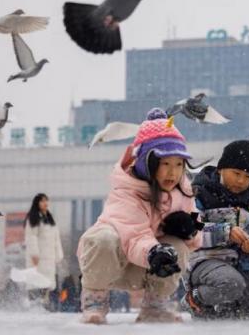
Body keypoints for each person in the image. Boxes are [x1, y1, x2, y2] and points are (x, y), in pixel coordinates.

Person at [77, 108, 202, 324]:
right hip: (113, 264)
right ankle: (95, 300)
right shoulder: (125, 191)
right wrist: (154, 252)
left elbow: (196, 240)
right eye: (165, 164)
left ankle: (156, 304)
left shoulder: (182, 190)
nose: (173, 172)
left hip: (146, 268)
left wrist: (189, 231)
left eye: (178, 164)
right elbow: (133, 236)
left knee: (177, 247)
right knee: (102, 238)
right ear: (147, 162)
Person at [182, 140, 249, 319]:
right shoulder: (197, 194)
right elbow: (191, 229)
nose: (240, 180)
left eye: (247, 177)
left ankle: (232, 307)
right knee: (231, 284)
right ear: (221, 168)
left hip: (240, 267)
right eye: (236, 173)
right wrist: (225, 232)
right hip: (203, 262)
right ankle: (195, 299)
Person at [24, 193, 64, 306]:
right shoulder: (33, 218)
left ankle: (44, 305)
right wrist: (34, 255)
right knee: (35, 283)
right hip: (37, 259)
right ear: (37, 203)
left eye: (46, 200)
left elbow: (56, 239)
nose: (45, 203)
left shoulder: (50, 219)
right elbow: (31, 237)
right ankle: (33, 306)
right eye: (42, 201)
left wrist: (58, 255)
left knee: (47, 284)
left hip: (49, 258)